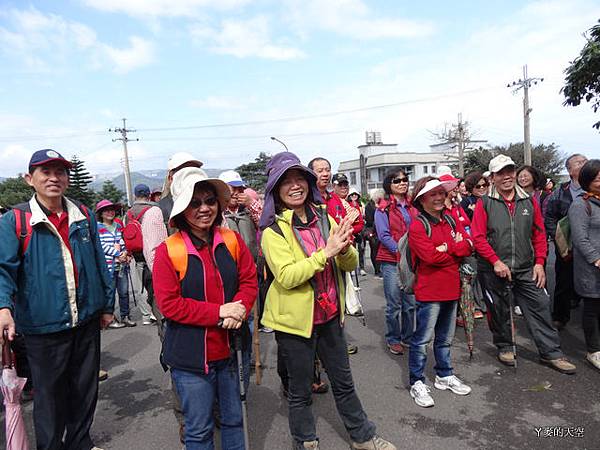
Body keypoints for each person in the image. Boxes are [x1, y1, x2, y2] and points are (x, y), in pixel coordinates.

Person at [259, 151, 395, 450]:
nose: (295, 186)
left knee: (344, 384)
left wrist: (344, 248)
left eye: (299, 179)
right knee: (300, 390)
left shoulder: (326, 218)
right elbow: (287, 276)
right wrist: (327, 252)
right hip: (295, 325)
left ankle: (362, 437)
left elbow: (348, 263)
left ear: (308, 183)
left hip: (330, 316)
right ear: (276, 189)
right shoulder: (273, 231)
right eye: (286, 181)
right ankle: (306, 441)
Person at [0, 149, 113, 450]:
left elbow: (99, 262)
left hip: (86, 320)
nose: (54, 178)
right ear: (30, 179)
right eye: (45, 172)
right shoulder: (16, 220)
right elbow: (3, 269)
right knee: (49, 398)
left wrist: (107, 305)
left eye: (60, 172)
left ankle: (80, 443)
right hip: (43, 326)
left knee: (84, 391)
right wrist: (3, 307)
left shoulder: (83, 214)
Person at [153, 167, 258, 449]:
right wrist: (220, 312)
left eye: (210, 200)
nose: (204, 208)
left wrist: (241, 308)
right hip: (191, 360)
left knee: (235, 420)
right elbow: (170, 305)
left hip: (232, 349)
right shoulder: (168, 250)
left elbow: (249, 279)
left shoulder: (232, 240)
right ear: (182, 208)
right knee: (199, 430)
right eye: (194, 202)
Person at [471, 154, 576, 374]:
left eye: (510, 171)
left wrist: (539, 263)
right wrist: (495, 261)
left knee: (540, 306)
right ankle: (505, 346)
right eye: (500, 173)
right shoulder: (484, 202)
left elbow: (538, 234)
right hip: (494, 268)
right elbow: (478, 237)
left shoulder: (528, 200)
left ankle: (552, 353)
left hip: (527, 266)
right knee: (499, 310)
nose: (507, 177)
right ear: (493, 177)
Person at [407, 176, 473, 408]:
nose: (438, 197)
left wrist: (449, 248)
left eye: (440, 193)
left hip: (451, 288)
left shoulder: (451, 219)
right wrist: (453, 250)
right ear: (421, 199)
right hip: (430, 291)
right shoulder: (417, 225)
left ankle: (444, 374)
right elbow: (430, 257)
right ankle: (416, 380)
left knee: (445, 339)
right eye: (432, 194)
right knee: (422, 340)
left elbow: (468, 245)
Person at [544, 153, 588, 329]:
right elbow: (550, 217)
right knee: (563, 281)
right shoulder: (560, 192)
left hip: (591, 246)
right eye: (579, 162)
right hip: (566, 246)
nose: (584, 164)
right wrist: (559, 239)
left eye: (585, 161)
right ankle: (560, 316)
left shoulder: (596, 189)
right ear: (570, 171)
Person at [374, 169, 416, 355]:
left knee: (411, 303)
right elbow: (383, 235)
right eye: (397, 180)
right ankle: (393, 338)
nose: (402, 183)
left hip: (412, 262)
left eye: (404, 179)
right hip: (391, 261)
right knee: (394, 305)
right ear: (389, 185)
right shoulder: (383, 208)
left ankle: (408, 337)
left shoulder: (414, 205)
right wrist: (400, 252)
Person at [568, 159, 600, 371]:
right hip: (591, 267)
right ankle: (593, 350)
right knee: (592, 308)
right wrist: (596, 259)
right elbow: (580, 239)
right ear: (587, 180)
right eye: (597, 178)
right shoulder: (581, 204)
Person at [128, 184, 166, 326]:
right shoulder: (153, 210)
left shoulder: (129, 212)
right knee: (156, 284)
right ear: (149, 195)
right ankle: (157, 312)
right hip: (152, 253)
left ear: (134, 195)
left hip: (137, 254)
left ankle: (145, 315)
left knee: (142, 287)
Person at [96, 199, 136, 328]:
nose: (110, 212)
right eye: (106, 210)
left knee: (124, 292)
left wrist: (125, 253)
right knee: (110, 293)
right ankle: (110, 318)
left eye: (112, 210)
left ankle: (125, 316)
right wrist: (119, 254)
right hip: (108, 267)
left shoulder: (118, 226)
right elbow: (102, 246)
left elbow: (122, 242)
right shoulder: (98, 227)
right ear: (101, 213)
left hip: (122, 265)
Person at [158, 152, 203, 232]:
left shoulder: (209, 204)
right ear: (170, 178)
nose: (189, 174)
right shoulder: (160, 211)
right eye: (183, 171)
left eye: (195, 170)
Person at [346, 187, 367, 276]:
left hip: (361, 230)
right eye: (352, 195)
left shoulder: (361, 205)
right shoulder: (347, 205)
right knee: (352, 250)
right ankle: (353, 268)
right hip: (351, 230)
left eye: (355, 194)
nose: (354, 196)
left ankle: (361, 268)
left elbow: (363, 218)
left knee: (361, 249)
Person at [364, 189, 383, 277]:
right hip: (372, 230)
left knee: (380, 250)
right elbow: (369, 220)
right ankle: (377, 269)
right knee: (374, 250)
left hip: (380, 230)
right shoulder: (369, 206)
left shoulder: (381, 204)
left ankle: (380, 268)